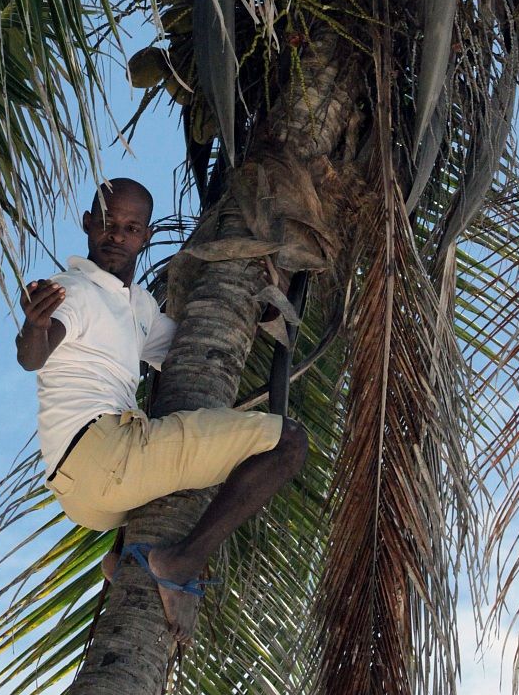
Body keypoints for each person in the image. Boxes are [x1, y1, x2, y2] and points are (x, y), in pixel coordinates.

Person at [17, 177, 308, 642]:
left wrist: (255, 311)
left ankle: (119, 554)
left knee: (161, 420)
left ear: (146, 236)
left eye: (131, 228)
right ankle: (182, 560)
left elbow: (190, 352)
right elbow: (35, 355)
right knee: (289, 443)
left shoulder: (138, 307)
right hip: (104, 456)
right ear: (89, 224)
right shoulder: (72, 290)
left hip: (88, 493)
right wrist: (33, 326)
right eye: (109, 223)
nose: (117, 235)